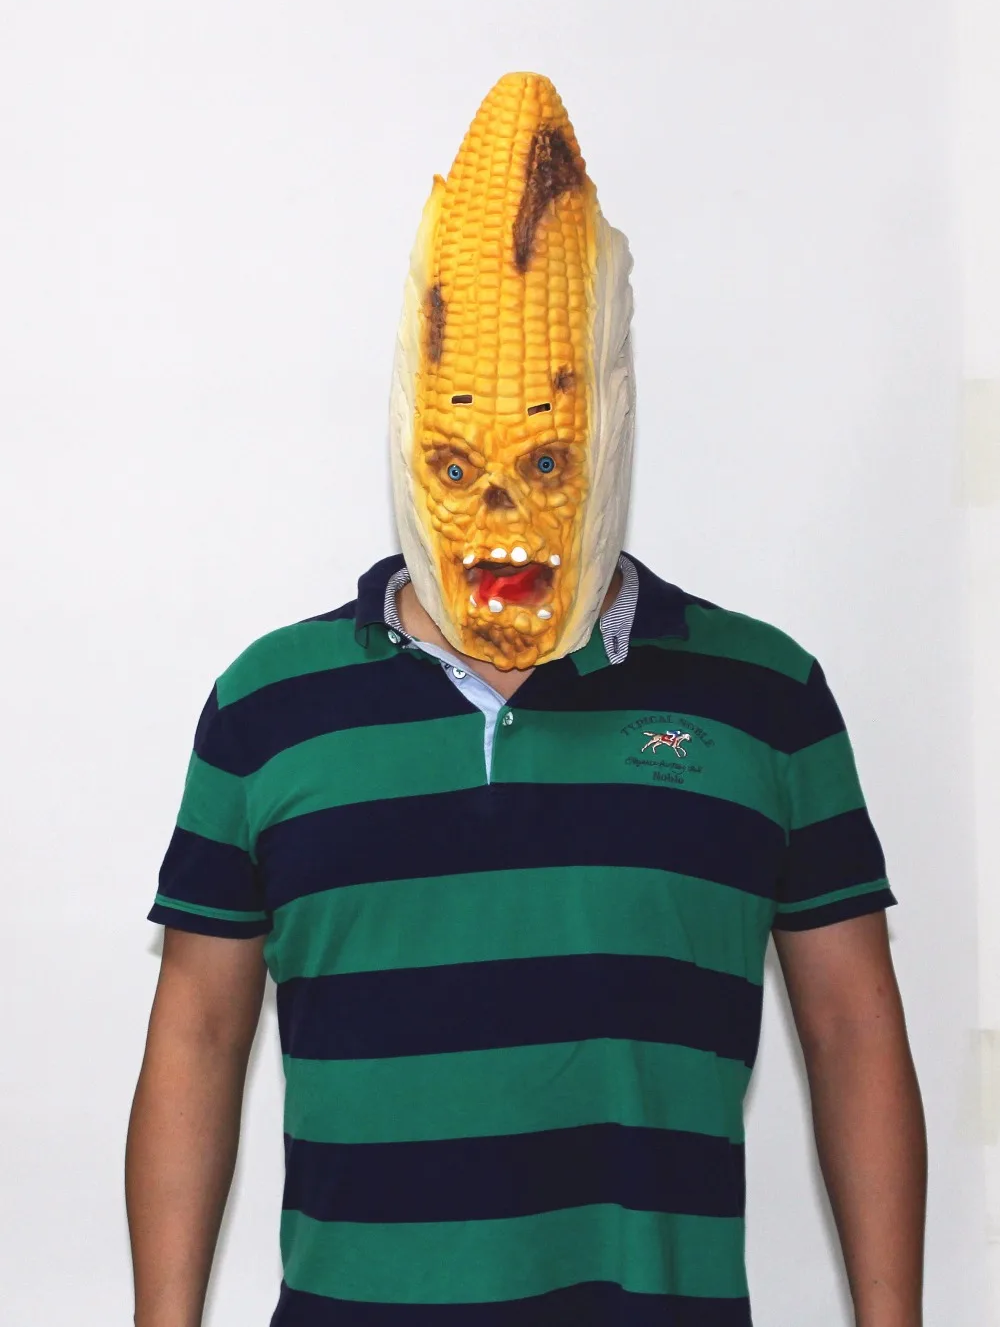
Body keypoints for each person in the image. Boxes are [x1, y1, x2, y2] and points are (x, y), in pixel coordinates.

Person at [126, 72, 926, 1327]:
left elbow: (852, 1033)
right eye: (459, 466)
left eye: (547, 459)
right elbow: (198, 1038)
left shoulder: (766, 698)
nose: (502, 511)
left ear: (609, 422)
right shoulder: (267, 706)